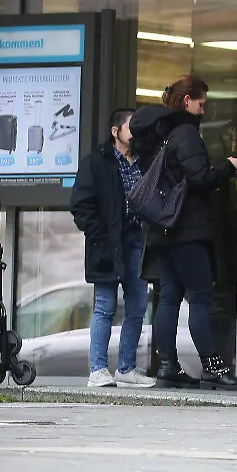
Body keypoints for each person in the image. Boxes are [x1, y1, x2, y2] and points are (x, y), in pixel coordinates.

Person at [129, 75, 237, 390]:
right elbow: (199, 179)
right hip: (186, 228)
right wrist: (229, 166)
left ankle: (167, 365)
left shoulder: (157, 137)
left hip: (161, 229)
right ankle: (213, 366)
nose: (204, 109)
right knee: (199, 297)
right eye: (202, 103)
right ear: (187, 102)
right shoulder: (185, 135)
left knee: (168, 298)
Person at [70, 108, 156, 389]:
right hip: (108, 243)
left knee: (137, 306)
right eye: (131, 127)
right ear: (115, 131)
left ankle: (127, 368)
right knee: (105, 305)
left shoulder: (143, 162)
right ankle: (97, 369)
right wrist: (99, 235)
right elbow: (81, 204)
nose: (135, 133)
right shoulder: (97, 162)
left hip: (137, 240)